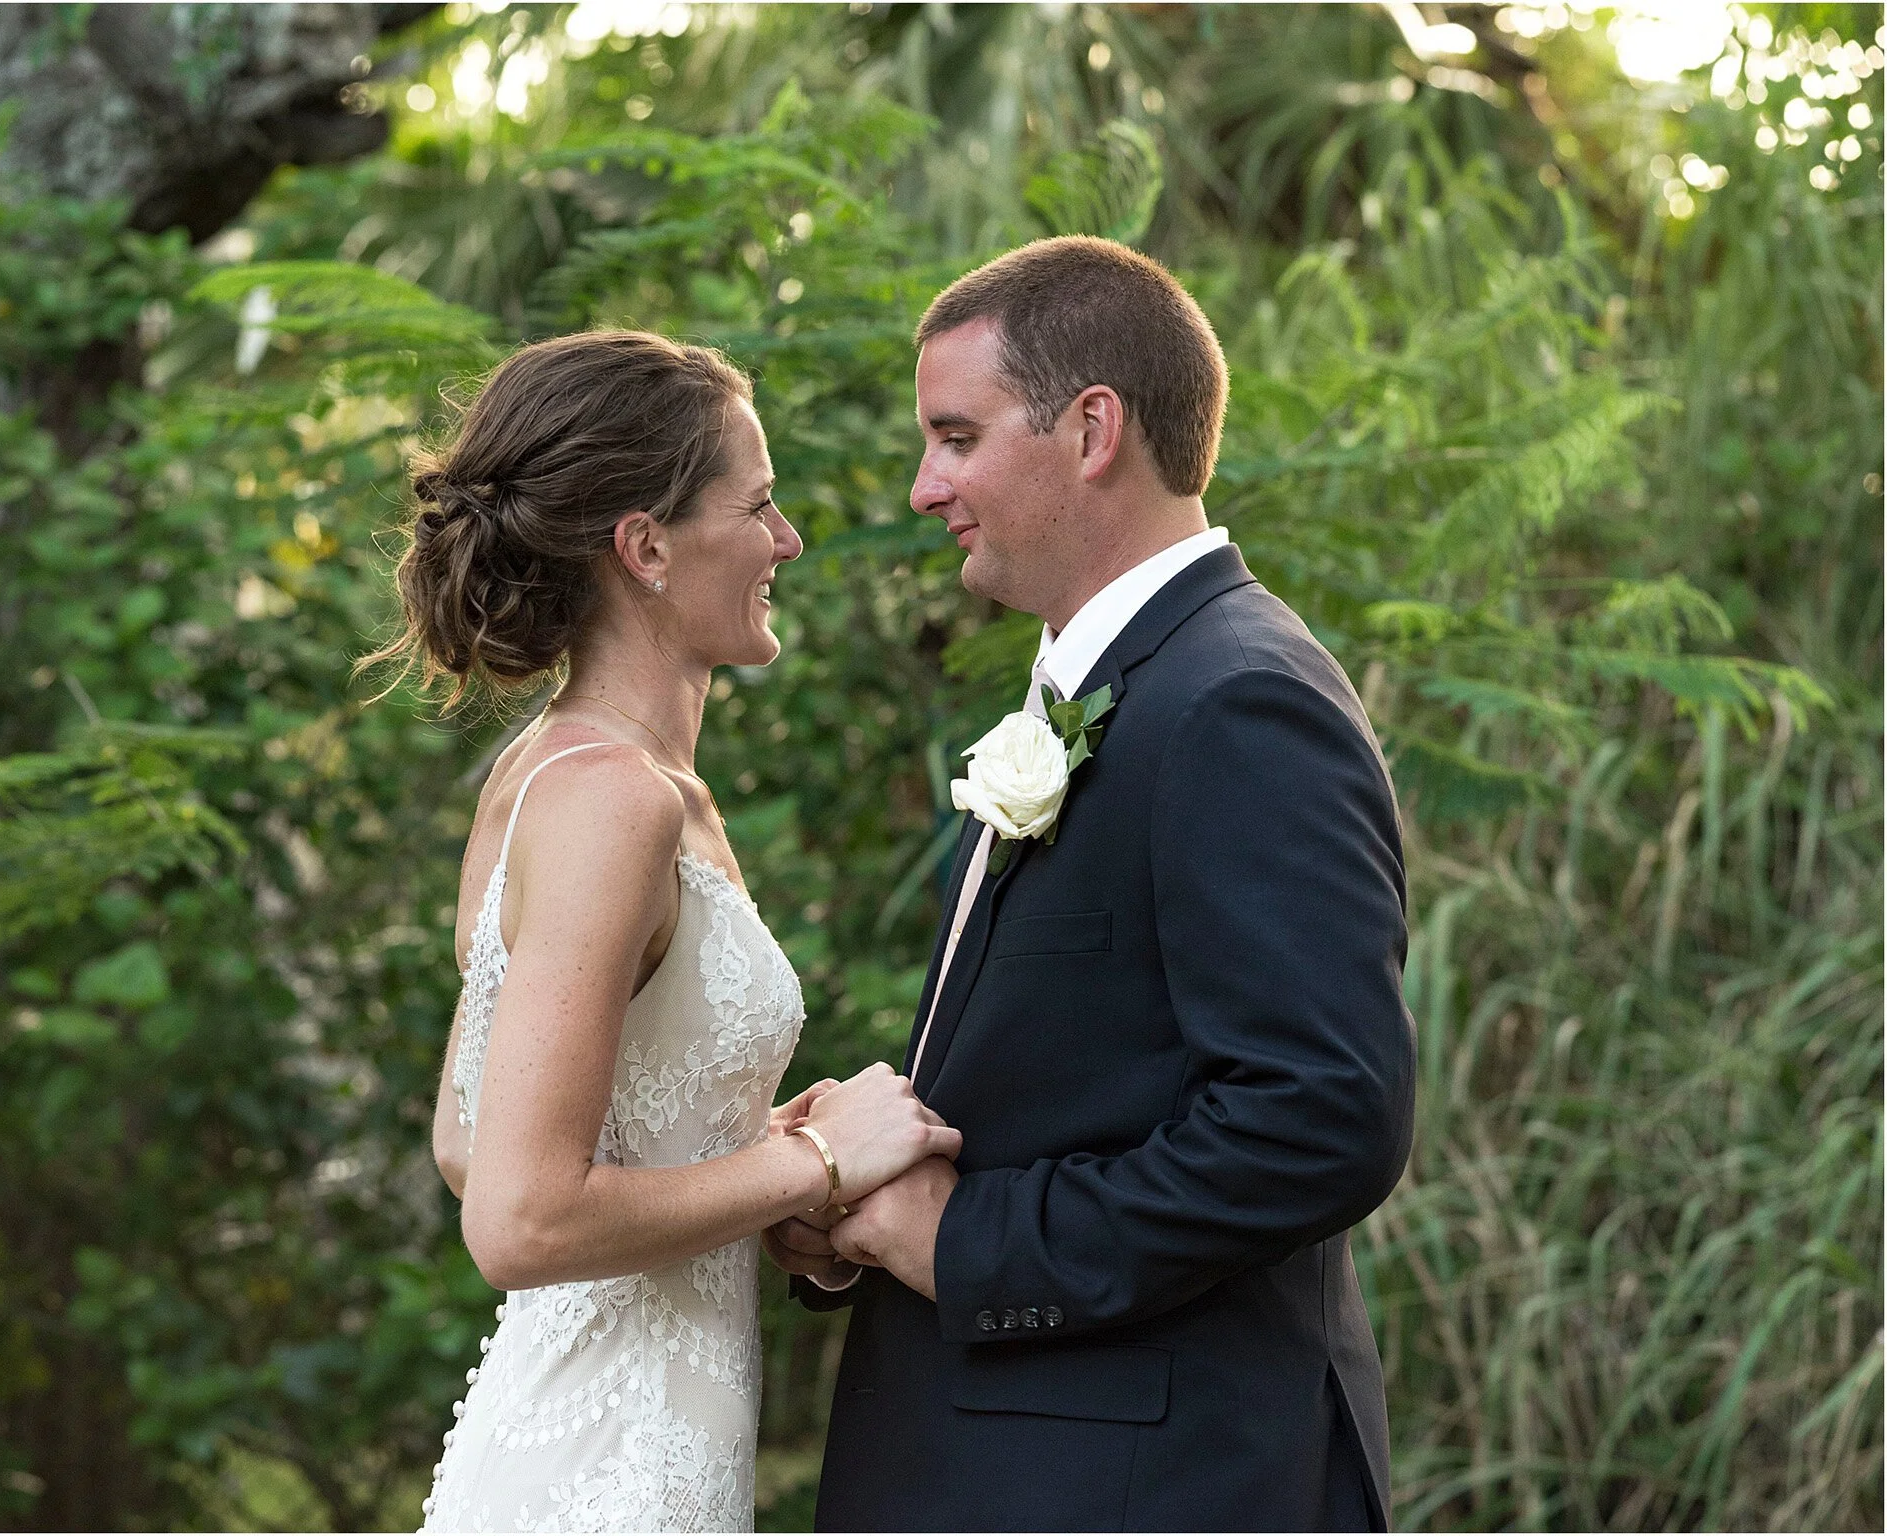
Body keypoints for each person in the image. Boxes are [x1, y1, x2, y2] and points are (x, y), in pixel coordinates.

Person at [765, 237, 1418, 1531]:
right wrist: (853, 1204)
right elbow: (1067, 1081)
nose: (920, 487)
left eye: (954, 437)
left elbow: (1322, 1115)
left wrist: (967, 1245)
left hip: (1138, 1487)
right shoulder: (1111, 692)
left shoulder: (1239, 700)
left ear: (1092, 428)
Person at [378, 330, 963, 1533]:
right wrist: (813, 1162)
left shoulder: (557, 774)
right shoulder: (612, 801)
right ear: (645, 547)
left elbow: (463, 1135)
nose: (786, 542)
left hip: (636, 1442)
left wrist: (747, 1149)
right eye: (757, 507)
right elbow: (516, 1214)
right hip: (605, 1470)